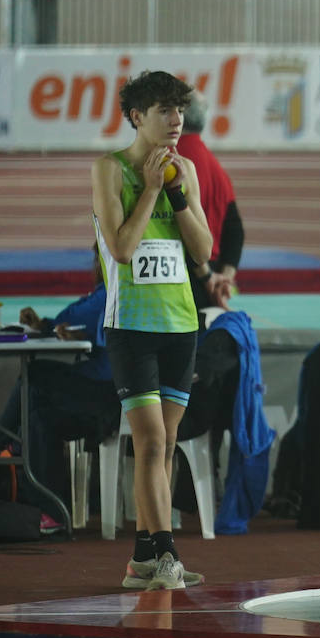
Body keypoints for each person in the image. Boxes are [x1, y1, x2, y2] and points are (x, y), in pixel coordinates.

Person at [91, 70, 213, 589]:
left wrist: (179, 194)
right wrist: (150, 190)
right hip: (133, 325)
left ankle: (142, 559)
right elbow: (121, 249)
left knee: (166, 443)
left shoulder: (186, 168)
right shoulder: (109, 169)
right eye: (165, 110)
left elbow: (204, 252)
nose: (176, 120)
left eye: (180, 110)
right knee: (149, 441)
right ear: (138, 117)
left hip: (180, 323)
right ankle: (166, 555)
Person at [0, 262, 117, 530]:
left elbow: (71, 315)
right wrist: (52, 326)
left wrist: (50, 325)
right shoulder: (111, 294)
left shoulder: (109, 292)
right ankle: (52, 513)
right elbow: (78, 322)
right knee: (38, 416)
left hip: (105, 392)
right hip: (102, 386)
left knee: (36, 376)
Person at [176, 90, 243, 311]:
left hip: (183, 279)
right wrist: (225, 279)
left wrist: (207, 278)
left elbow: (179, 228)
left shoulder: (170, 162)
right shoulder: (217, 168)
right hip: (210, 280)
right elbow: (235, 229)